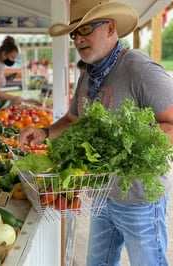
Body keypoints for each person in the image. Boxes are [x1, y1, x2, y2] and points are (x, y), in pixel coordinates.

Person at [19, 1, 173, 265]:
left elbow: (170, 124)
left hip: (140, 201)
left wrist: (122, 148)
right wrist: (44, 131)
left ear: (110, 28)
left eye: (86, 29)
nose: (78, 39)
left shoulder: (140, 70)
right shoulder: (89, 76)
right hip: (102, 195)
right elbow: (71, 120)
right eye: (74, 33)